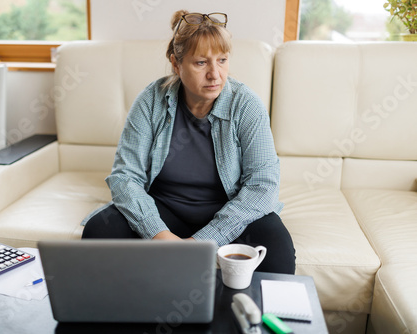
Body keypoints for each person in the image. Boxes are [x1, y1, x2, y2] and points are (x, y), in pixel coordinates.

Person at [82, 10, 296, 274]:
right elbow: (125, 176)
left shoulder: (246, 105)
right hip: (163, 210)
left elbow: (263, 186)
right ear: (176, 64)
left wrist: (204, 241)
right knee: (99, 230)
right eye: (201, 63)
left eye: (222, 60)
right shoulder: (151, 101)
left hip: (228, 211)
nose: (215, 74)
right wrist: (159, 235)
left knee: (277, 246)